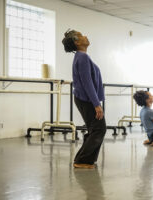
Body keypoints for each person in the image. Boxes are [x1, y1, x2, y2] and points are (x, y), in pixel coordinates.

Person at [62, 29, 106, 169]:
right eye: (81, 36)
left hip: (84, 99)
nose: (85, 36)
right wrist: (97, 104)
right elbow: (87, 83)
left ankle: (86, 159)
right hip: (86, 100)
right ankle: (82, 160)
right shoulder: (82, 57)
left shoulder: (82, 57)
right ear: (77, 42)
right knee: (99, 129)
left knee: (95, 130)